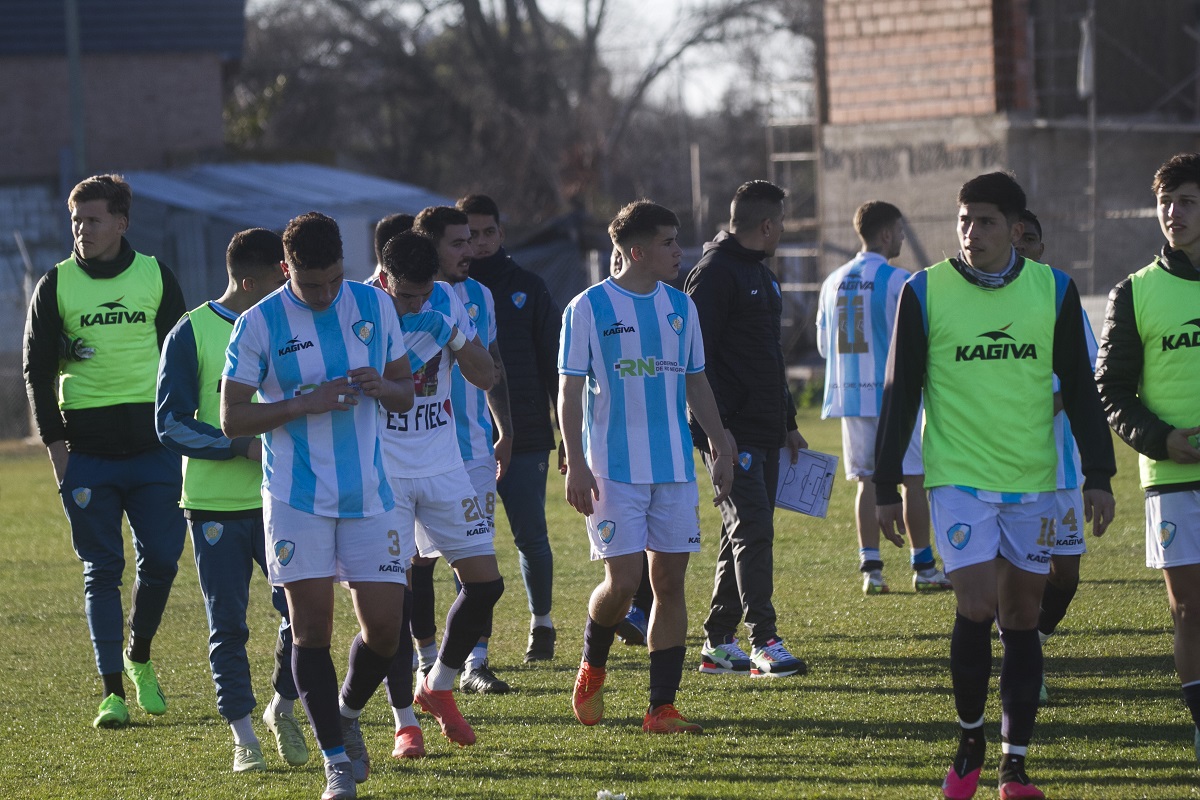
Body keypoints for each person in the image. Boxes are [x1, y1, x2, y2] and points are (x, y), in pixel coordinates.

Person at [874, 172, 1115, 800]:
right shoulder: (923, 291)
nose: (970, 233)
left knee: (1022, 617)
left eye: (983, 221)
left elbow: (1083, 391)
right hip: (958, 480)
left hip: (1034, 482)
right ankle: (970, 737)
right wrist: (883, 487)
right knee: (976, 607)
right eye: (962, 220)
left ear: (1015, 228)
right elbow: (900, 394)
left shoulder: (1054, 290)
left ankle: (1015, 765)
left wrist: (1099, 475)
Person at [221, 211, 415, 800]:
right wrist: (304, 403)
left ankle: (347, 713)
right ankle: (335, 761)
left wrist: (384, 388)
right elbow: (232, 420)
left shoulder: (375, 306)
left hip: (369, 494)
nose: (327, 294)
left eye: (335, 279)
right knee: (311, 630)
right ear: (286, 270)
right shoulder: (259, 324)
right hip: (295, 498)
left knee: (385, 631)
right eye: (313, 284)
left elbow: (405, 391)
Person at [560, 200, 734, 733]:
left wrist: (721, 444)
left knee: (670, 582)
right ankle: (593, 664)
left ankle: (661, 707)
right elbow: (568, 391)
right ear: (637, 251)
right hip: (612, 469)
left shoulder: (682, 308)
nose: (679, 250)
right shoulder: (588, 308)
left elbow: (696, 381)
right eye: (668, 242)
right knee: (624, 581)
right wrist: (575, 462)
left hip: (675, 467)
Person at [22, 174, 187, 728]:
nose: (82, 230)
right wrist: (56, 449)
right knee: (101, 570)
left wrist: (184, 433)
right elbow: (36, 373)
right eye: (75, 220)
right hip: (87, 453)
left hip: (155, 449)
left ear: (121, 222)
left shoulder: (155, 276)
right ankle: (112, 692)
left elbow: (181, 361)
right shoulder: (55, 285)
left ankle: (139, 657)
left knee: (162, 561)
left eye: (92, 219)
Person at [155, 228, 308, 772]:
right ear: (250, 281)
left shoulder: (293, 327)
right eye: (278, 276)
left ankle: (282, 707)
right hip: (215, 506)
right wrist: (235, 446)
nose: (288, 284)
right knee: (229, 624)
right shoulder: (191, 332)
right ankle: (243, 735)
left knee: (302, 614)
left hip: (285, 497)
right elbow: (169, 425)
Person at [369, 230, 503, 754]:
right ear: (384, 278)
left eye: (424, 294)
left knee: (486, 584)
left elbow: (486, 375)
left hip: (445, 465)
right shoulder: (361, 303)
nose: (416, 303)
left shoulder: (445, 301)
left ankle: (439, 685)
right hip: (386, 472)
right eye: (406, 296)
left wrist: (449, 332)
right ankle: (405, 721)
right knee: (391, 604)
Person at [1095, 151, 1200, 764]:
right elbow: (1112, 390)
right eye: (1165, 202)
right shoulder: (1133, 292)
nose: (1173, 213)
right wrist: (1163, 440)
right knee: (1188, 607)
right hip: (1172, 477)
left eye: (1186, 201)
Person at [683, 180, 808, 678]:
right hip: (731, 432)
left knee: (741, 531)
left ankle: (717, 643)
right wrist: (716, 434)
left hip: (765, 429)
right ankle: (765, 641)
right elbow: (697, 363)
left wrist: (790, 423)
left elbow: (768, 357)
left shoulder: (760, 272)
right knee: (753, 529)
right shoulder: (713, 275)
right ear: (768, 225)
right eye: (782, 224)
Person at [815, 200, 951, 595]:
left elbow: (825, 347)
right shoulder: (899, 281)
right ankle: (923, 567)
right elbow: (920, 341)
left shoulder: (832, 281)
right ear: (887, 233)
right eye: (901, 233)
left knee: (866, 481)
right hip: (894, 397)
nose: (902, 240)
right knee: (912, 479)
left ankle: (871, 571)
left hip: (849, 396)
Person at [411, 205, 515, 694]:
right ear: (428, 247)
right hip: (411, 455)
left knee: (478, 559)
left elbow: (490, 362)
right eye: (458, 241)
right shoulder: (387, 297)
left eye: (474, 239)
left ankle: (474, 661)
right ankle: (425, 657)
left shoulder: (479, 296)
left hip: (471, 451)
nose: (471, 249)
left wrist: (505, 429)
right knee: (417, 564)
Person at [459, 193, 562, 662]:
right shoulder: (443, 291)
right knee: (472, 545)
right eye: (468, 235)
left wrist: (562, 433)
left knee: (531, 536)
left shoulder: (528, 287)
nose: (477, 243)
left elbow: (554, 365)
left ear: (500, 233)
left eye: (486, 233)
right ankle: (476, 648)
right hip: (464, 439)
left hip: (527, 436)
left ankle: (542, 624)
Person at [1012, 210, 1098, 704]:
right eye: (1014, 239)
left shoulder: (1060, 295)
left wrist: (1050, 402)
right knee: (1018, 572)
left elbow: (1087, 373)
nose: (1021, 248)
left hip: (1060, 465)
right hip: (1003, 466)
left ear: (1041, 248)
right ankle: (1026, 665)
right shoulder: (981, 301)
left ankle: (1033, 643)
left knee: (1065, 575)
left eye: (1031, 241)